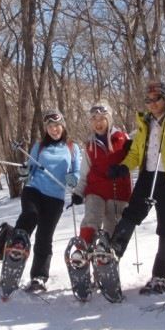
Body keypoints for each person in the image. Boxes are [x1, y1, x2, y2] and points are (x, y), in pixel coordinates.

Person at [107, 82, 165, 294]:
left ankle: (161, 274)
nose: (152, 103)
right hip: (148, 177)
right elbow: (137, 154)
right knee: (131, 215)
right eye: (148, 100)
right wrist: (123, 167)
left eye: (157, 98)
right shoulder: (144, 124)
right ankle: (112, 256)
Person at [14, 109, 82, 291]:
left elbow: (76, 171)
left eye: (57, 126)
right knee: (30, 215)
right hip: (34, 190)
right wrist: (24, 172)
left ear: (63, 126)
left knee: (44, 237)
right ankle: (16, 245)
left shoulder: (72, 147)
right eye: (50, 126)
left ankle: (38, 277)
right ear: (46, 129)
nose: (54, 129)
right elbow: (31, 169)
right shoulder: (40, 146)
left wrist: (72, 179)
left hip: (55, 197)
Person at [71, 102, 131, 246]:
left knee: (113, 226)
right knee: (92, 217)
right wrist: (78, 192)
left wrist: (131, 149)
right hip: (95, 190)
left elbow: (135, 162)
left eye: (101, 119)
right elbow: (85, 172)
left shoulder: (123, 139)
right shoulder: (90, 145)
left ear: (109, 119)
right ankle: (82, 249)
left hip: (118, 191)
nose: (98, 123)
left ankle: (105, 256)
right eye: (94, 119)